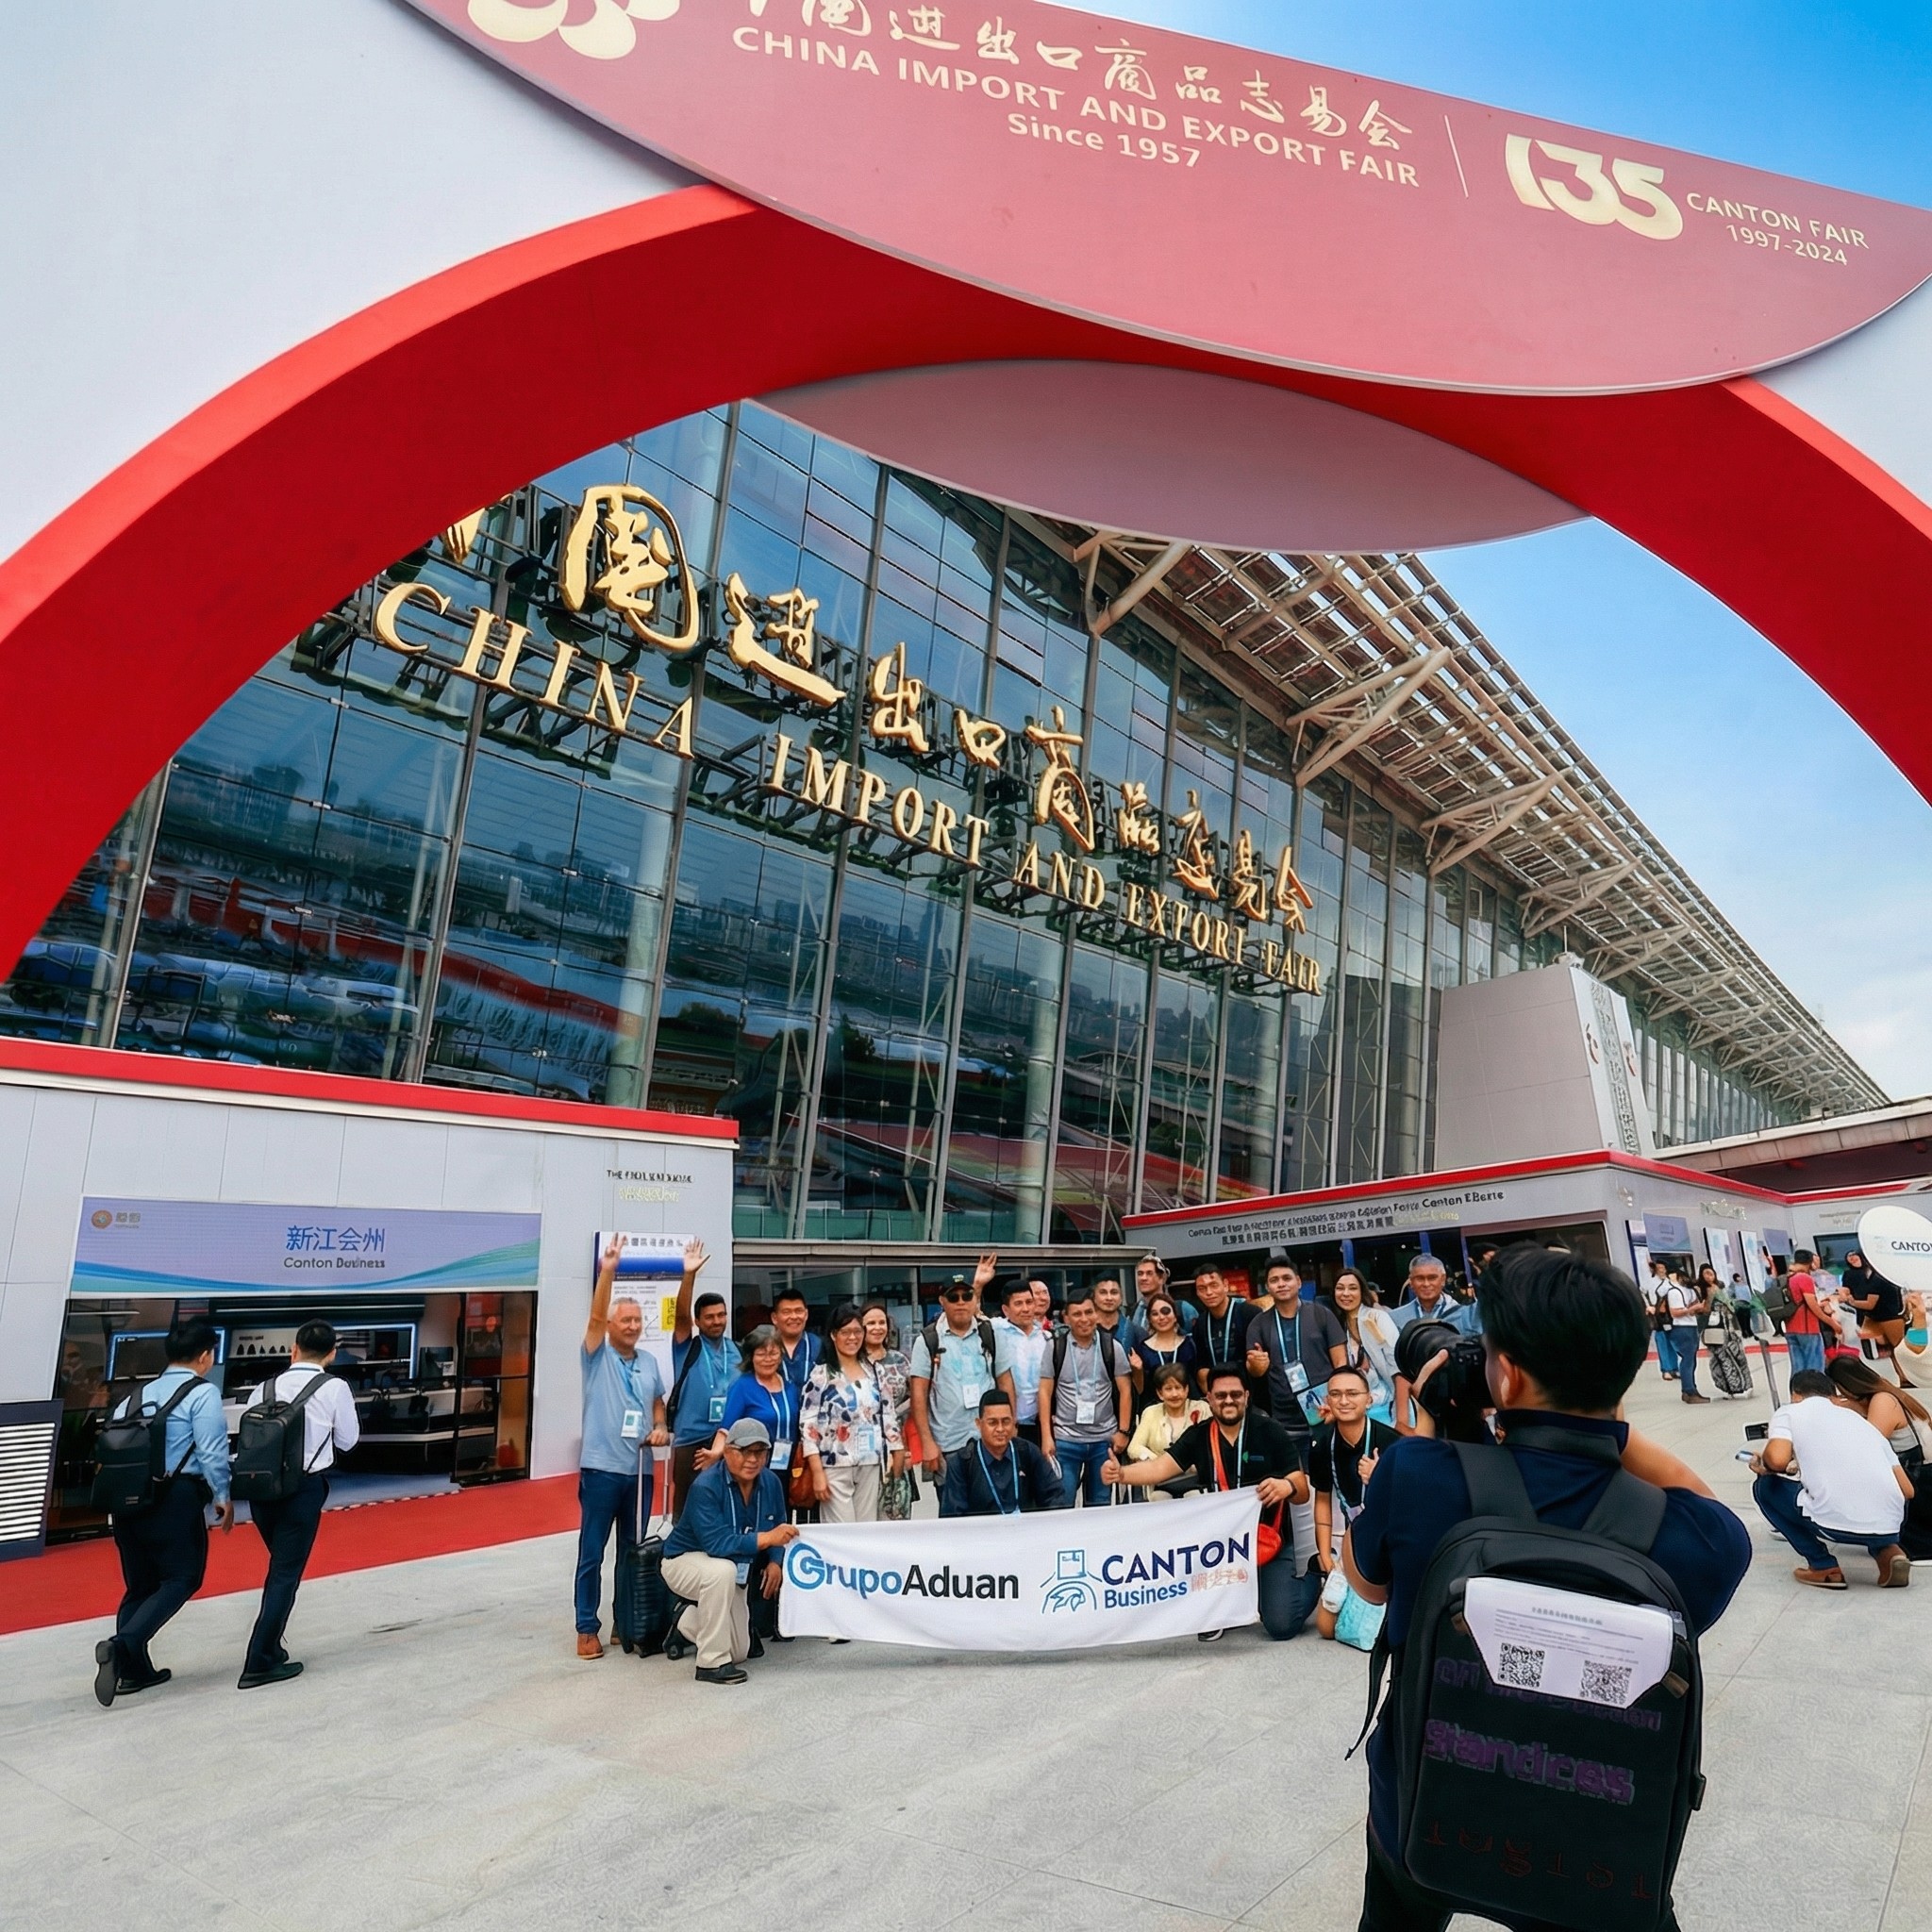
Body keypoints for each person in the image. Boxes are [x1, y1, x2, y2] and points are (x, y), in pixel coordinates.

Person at [1341, 1244, 1752, 1932]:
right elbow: (1708, 1508)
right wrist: (1604, 1418)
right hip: (1591, 1840)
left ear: (1506, 1372)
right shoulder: (1698, 1536)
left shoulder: (1415, 1474)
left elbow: (1367, 1584)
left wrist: (1450, 1421)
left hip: (1422, 1805)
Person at [1104, 1364, 1314, 1641]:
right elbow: (1159, 1469)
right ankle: (1232, 1598)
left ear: (1247, 1396)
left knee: (1281, 1625)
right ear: (1210, 1399)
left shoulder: (1269, 1430)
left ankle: (1314, 1574)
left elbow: (1302, 1489)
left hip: (1268, 1539)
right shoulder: (1199, 1434)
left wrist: (1286, 1486)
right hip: (1219, 1547)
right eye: (1221, 1395)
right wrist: (1121, 1474)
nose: (1229, 1400)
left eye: (1236, 1394)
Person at [94, 1318, 235, 1707]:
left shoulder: (136, 1396)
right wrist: (222, 1495)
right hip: (174, 1498)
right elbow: (211, 1450)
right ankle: (121, 1648)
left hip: (126, 1502)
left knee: (140, 1585)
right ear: (206, 1356)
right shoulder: (202, 1394)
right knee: (182, 1577)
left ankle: (135, 1672)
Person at [237, 1319, 360, 1690]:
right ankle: (259, 1660)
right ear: (332, 1353)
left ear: (294, 1348)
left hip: (261, 1491)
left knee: (281, 1568)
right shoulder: (334, 1387)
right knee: (284, 1576)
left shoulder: (264, 1387)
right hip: (302, 1491)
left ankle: (271, 1650)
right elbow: (348, 1441)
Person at [575, 1235, 669, 1659]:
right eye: (624, 1320)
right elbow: (595, 1317)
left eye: (637, 1320)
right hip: (601, 1470)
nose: (632, 1326)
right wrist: (608, 1269)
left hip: (640, 1472)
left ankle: (624, 1622)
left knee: (631, 1553)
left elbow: (657, 1404)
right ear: (611, 1325)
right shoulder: (596, 1355)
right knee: (592, 1551)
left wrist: (661, 1428)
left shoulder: (649, 1362)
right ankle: (586, 1627)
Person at [661, 1419, 798, 1684]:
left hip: (731, 1567)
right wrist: (768, 1538)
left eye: (760, 1452)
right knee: (722, 1571)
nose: (753, 1459)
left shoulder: (770, 1482)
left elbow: (780, 1526)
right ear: (727, 1451)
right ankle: (710, 1664)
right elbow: (718, 1544)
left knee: (739, 1651)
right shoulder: (705, 1486)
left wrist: (775, 1561)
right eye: (745, 1451)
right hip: (683, 1560)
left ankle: (684, 1618)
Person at [1751, 1370, 1913, 1589]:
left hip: (1834, 1525)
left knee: (1765, 1487)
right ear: (1834, 1396)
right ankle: (1888, 1551)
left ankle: (1823, 1566)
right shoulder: (1863, 1424)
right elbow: (1907, 1490)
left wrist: (1764, 1463)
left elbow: (1778, 1460)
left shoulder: (1789, 1412)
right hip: (1890, 1526)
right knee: (1872, 1500)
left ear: (1795, 1395)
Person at [908, 1253, 1015, 1487]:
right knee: (953, 1514)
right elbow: (918, 1394)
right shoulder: (928, 1339)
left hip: (989, 1440)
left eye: (967, 1296)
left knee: (992, 1512)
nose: (960, 1302)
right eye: (953, 1297)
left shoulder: (991, 1333)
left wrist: (1010, 1428)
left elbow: (1005, 1383)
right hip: (948, 1443)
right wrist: (927, 1442)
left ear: (974, 1299)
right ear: (942, 1301)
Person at [1309, 1364, 1395, 1641]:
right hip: (1355, 1540)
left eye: (1352, 1393)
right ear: (1328, 1401)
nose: (1344, 1401)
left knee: (1388, 1627)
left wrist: (1379, 1478)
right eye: (1336, 1394)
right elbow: (1322, 1502)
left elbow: (1412, 1500)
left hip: (1392, 1538)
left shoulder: (1391, 1442)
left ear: (1368, 1399)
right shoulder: (1323, 1445)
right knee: (1325, 1627)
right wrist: (1325, 1554)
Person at [800, 1303, 904, 1523]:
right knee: (841, 1530)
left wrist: (897, 1451)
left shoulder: (876, 1371)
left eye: (857, 1331)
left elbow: (888, 1415)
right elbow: (808, 1425)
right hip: (833, 1463)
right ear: (833, 1335)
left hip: (871, 1461)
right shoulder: (821, 1374)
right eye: (845, 1332)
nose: (852, 1338)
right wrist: (817, 1472)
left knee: (867, 1531)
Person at [1038, 1285, 1133, 1507]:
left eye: (1089, 1312)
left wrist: (1123, 1431)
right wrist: (1046, 1436)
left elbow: (1125, 1390)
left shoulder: (1113, 1347)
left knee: (1099, 1504)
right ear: (1067, 1318)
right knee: (1062, 1502)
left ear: (1097, 1314)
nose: (1084, 1319)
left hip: (1104, 1440)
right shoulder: (1054, 1348)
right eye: (1077, 1314)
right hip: (1066, 1440)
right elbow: (1044, 1391)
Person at [1242, 1257, 1346, 1440]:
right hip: (1284, 1416)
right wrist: (1257, 1365)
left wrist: (1338, 1398)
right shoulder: (1258, 1324)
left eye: (1286, 1278)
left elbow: (1340, 1362)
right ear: (1267, 1287)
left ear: (1298, 1282)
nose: (1281, 1284)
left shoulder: (1321, 1314)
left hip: (1325, 1408)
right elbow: (1254, 1371)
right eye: (1274, 1280)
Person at [665, 1241, 727, 1521]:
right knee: (687, 1507)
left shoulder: (736, 1351)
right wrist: (688, 1275)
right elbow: (680, 1316)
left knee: (724, 1504)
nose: (717, 1321)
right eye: (710, 1317)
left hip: (726, 1440)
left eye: (721, 1315)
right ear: (698, 1321)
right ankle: (680, 1556)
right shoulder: (686, 1347)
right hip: (691, 1439)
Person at [1387, 1254, 1474, 1435]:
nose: (1426, 1284)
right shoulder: (1395, 1318)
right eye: (1420, 1278)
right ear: (1411, 1282)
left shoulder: (1465, 1314)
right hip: (1415, 1401)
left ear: (1443, 1280)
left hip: (1458, 1401)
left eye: (1432, 1278)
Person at [940, 1389, 1065, 1515]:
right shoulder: (962, 1463)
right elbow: (953, 1517)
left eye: (1006, 1421)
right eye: (992, 1423)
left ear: (1013, 1422)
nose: (1000, 1429)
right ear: (979, 1424)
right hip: (981, 1532)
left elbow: (1054, 1497)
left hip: (1024, 1531)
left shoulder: (1027, 1452)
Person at [710, 1326, 796, 1476]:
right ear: (751, 1357)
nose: (768, 1359)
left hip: (790, 1467)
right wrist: (715, 1453)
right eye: (761, 1354)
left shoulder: (791, 1388)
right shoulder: (742, 1386)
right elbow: (726, 1429)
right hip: (754, 1468)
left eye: (773, 1353)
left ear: (781, 1355)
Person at [861, 1301, 916, 1517]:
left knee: (897, 1513)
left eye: (881, 1322)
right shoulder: (854, 1363)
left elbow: (917, 1400)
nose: (877, 1328)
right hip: (865, 1451)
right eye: (871, 1323)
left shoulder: (900, 1361)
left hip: (898, 1449)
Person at [1124, 1362, 1209, 1489]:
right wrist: (1163, 1464)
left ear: (1186, 1390)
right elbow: (1134, 1448)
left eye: (1178, 1387)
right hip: (1162, 1481)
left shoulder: (1203, 1409)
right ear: (1160, 1393)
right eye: (1168, 1389)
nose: (1174, 1394)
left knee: (1193, 1496)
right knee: (1160, 1498)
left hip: (1196, 1479)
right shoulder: (1150, 1412)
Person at [1327, 1269, 1397, 1414]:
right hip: (1354, 1408)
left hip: (1389, 1404)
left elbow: (1396, 1364)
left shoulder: (1377, 1318)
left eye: (1352, 1288)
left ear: (1362, 1292)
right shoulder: (1337, 1325)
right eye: (1340, 1288)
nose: (1345, 1293)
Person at [1840, 1250, 1914, 1384]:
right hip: (1884, 1316)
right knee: (1894, 1350)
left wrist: (1851, 1302)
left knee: (1899, 1348)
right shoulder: (1879, 1277)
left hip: (1888, 1317)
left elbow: (1870, 1304)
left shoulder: (1877, 1280)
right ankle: (1904, 1376)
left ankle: (1907, 1376)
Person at [993, 1275, 1051, 1446]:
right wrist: (979, 1284)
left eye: (1029, 1302)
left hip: (1042, 1423)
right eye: (1018, 1304)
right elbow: (971, 1315)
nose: (1026, 1309)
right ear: (1006, 1309)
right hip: (1010, 1424)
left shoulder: (1047, 1337)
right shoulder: (995, 1331)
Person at [1189, 1264, 1248, 1397]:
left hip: (1248, 1393)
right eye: (1202, 1288)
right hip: (1219, 1396)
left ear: (1225, 1285)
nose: (1209, 1292)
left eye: (1214, 1285)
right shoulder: (1200, 1323)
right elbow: (1201, 1363)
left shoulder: (1248, 1313)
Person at [1130, 1293, 1194, 1417]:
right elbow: (1139, 1390)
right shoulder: (1142, 1348)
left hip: (1187, 1411)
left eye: (1165, 1311)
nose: (1161, 1317)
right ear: (1149, 1319)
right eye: (1155, 1314)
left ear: (1175, 1316)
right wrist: (1137, 1371)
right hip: (1155, 1413)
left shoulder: (1189, 1344)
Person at [1783, 1249, 1834, 1378]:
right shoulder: (1804, 1278)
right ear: (1809, 1262)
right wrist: (1832, 1323)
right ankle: (1815, 1394)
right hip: (1808, 1328)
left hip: (1790, 1328)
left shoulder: (1787, 1277)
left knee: (1798, 1367)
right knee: (1815, 1366)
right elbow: (1812, 1306)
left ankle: (1797, 1395)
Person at [1666, 1266, 1711, 1404]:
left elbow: (1691, 1310)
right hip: (1681, 1327)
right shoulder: (1674, 1291)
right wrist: (1692, 1308)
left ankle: (1691, 1389)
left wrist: (1695, 1307)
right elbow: (1675, 1312)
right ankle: (1689, 1391)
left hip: (1691, 1326)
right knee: (1687, 1359)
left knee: (1691, 1359)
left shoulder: (1689, 1291)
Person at [771, 1285, 820, 1398]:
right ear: (774, 1318)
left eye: (798, 1311)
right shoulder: (764, 1348)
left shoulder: (820, 1345)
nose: (793, 1317)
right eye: (786, 1312)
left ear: (806, 1314)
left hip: (813, 1412)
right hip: (777, 1413)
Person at [1645, 1257, 1680, 1382]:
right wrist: (1649, 1307)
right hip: (1658, 1316)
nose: (1661, 1270)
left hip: (1671, 1315)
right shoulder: (1650, 1282)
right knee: (1662, 1342)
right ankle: (1666, 1369)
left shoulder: (1670, 1281)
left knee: (1673, 1342)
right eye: (1659, 1268)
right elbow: (1646, 1295)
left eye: (1663, 1268)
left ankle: (1675, 1368)